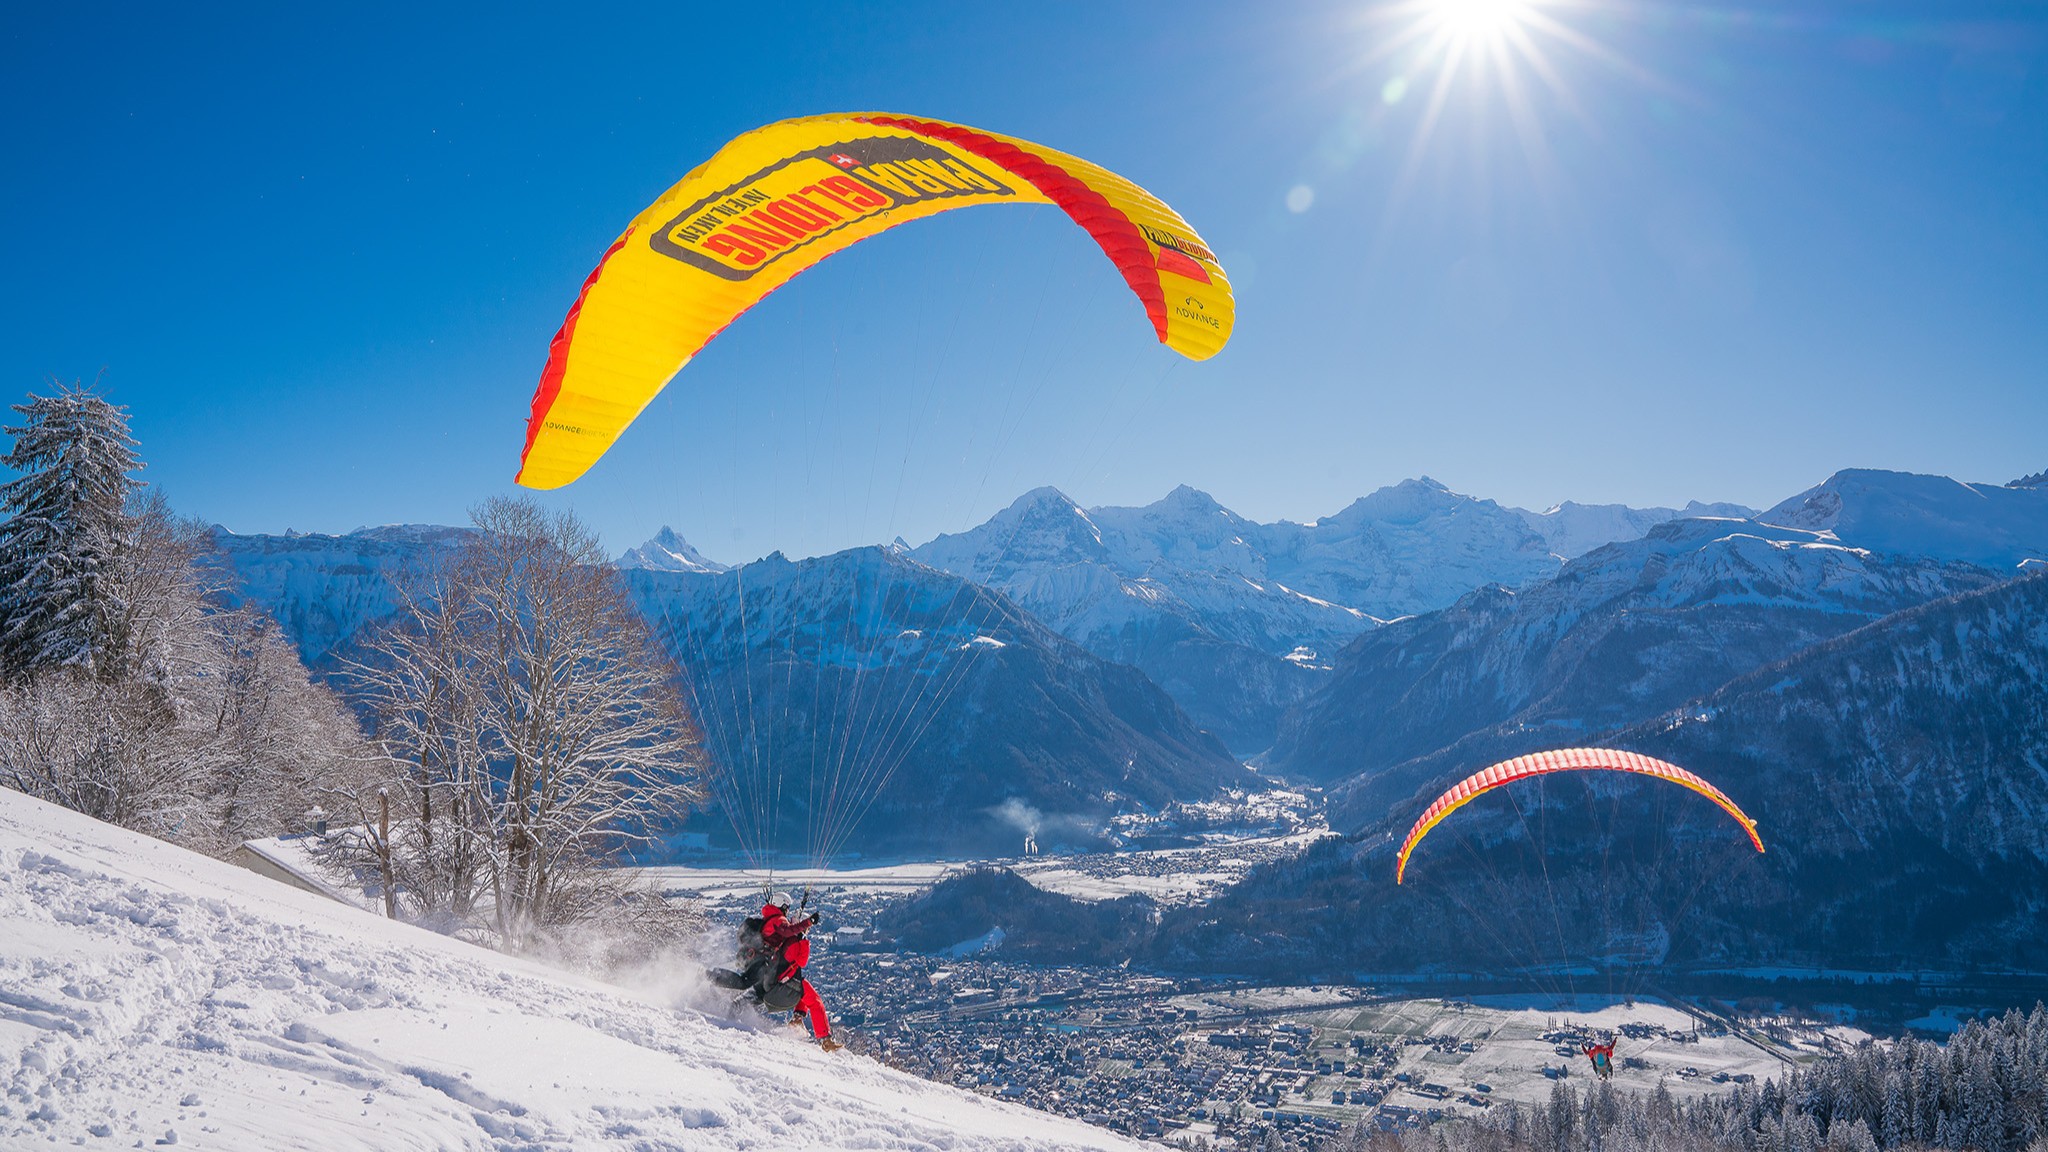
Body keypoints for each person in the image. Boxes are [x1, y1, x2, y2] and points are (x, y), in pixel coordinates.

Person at [710, 891, 839, 1051]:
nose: (787, 911)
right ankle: (824, 1039)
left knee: (749, 991)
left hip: (766, 971)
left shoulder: (771, 920)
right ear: (783, 905)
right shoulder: (781, 923)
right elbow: (800, 961)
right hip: (774, 974)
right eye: (786, 907)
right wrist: (807, 927)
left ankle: (720, 1005)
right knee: (812, 997)